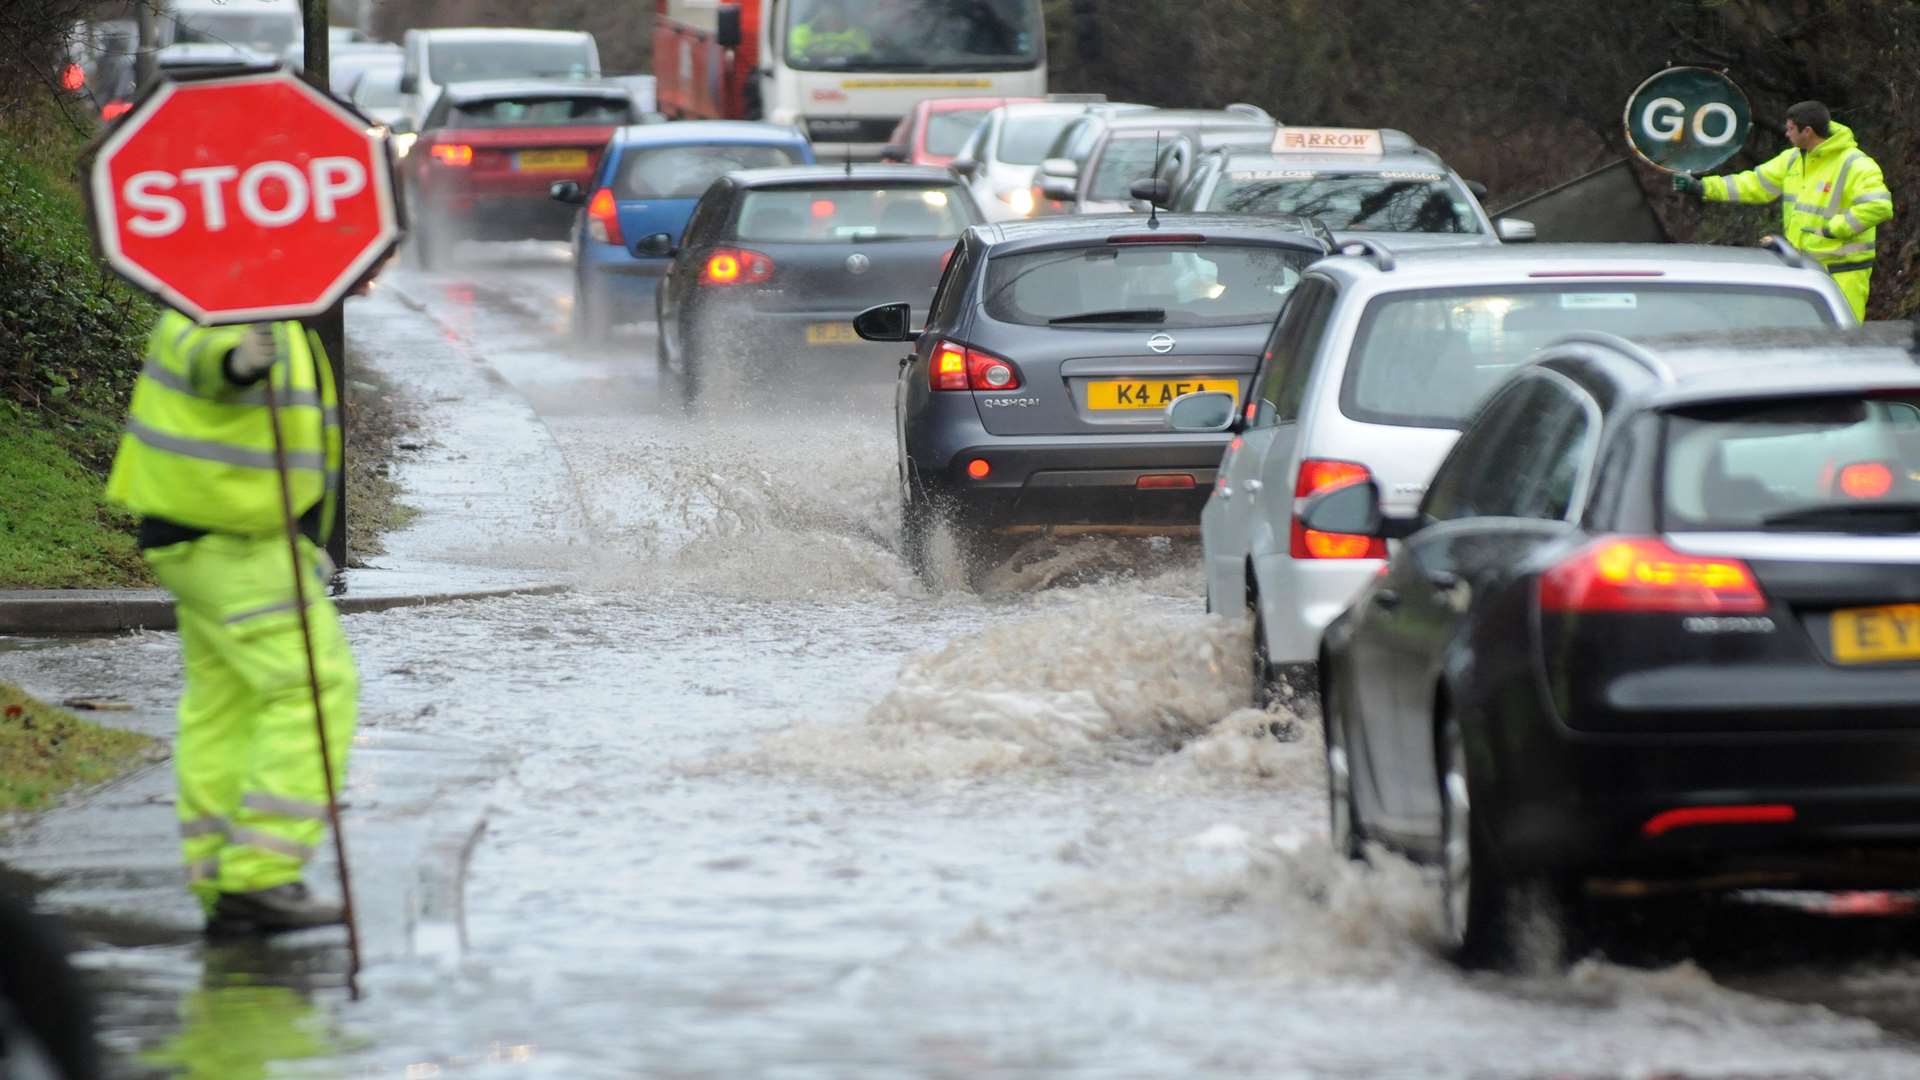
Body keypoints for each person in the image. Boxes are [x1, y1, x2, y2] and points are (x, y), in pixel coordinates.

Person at [104, 310, 355, 935]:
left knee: (227, 704)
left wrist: (301, 539)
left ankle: (224, 870)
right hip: (231, 542)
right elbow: (208, 359)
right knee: (314, 690)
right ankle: (261, 874)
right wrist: (237, 362)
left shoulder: (263, 301)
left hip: (223, 537)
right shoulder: (222, 301)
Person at [1674, 100, 1894, 320]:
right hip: (1805, 270)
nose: (1786, 134)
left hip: (1843, 272)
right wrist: (1702, 187)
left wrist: (1834, 229)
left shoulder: (1854, 164)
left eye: (1790, 129)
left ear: (1807, 131)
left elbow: (1879, 206)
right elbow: (1754, 183)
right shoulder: (1793, 160)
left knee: (1842, 340)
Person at [788, 0, 872, 61]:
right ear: (820, 14)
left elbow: (865, 59)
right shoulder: (801, 33)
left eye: (835, 13)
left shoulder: (858, 35)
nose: (832, 18)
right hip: (812, 73)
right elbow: (796, 57)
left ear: (842, 14)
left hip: (850, 74)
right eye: (828, 14)